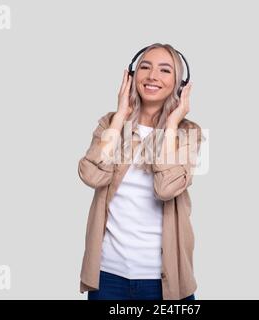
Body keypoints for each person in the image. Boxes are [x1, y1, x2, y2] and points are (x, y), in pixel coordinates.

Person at [77, 43, 202, 300]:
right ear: (132, 76)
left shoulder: (188, 133)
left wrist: (170, 125)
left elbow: (166, 189)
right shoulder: (110, 124)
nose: (152, 76)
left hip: (165, 280)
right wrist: (121, 115)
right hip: (108, 277)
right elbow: (91, 175)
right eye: (145, 67)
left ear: (179, 84)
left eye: (165, 70)